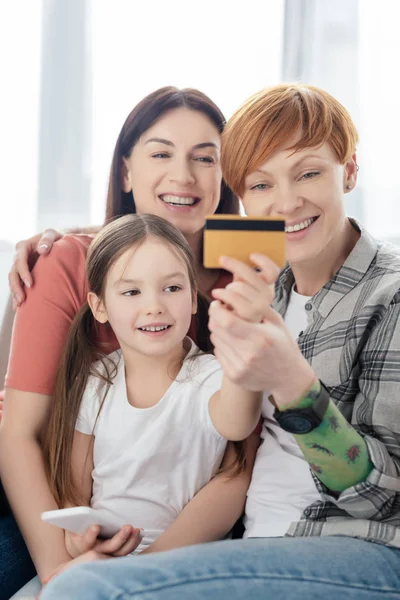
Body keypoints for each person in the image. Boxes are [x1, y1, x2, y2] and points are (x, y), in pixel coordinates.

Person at [40, 83, 400, 599]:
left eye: (310, 172)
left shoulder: (389, 295)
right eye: (260, 184)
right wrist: (59, 239)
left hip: (353, 547)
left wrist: (294, 385)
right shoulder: (263, 287)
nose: (286, 201)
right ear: (241, 196)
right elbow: (149, 249)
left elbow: (385, 500)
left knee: (85, 590)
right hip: (248, 549)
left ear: (350, 170)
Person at [0, 87, 258, 599]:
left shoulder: (245, 280)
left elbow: (238, 464)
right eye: (161, 153)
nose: (183, 175)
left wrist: (142, 576)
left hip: (173, 533)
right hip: (43, 503)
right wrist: (62, 571)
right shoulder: (68, 261)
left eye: (205, 158)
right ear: (125, 172)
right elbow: (20, 435)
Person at [43, 212, 263, 569]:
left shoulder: (210, 375)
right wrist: (79, 538)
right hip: (103, 558)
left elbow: (237, 424)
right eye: (131, 291)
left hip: (181, 565)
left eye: (172, 288)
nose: (154, 306)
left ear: (193, 298)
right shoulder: (97, 381)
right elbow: (74, 493)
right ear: (99, 306)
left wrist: (242, 350)